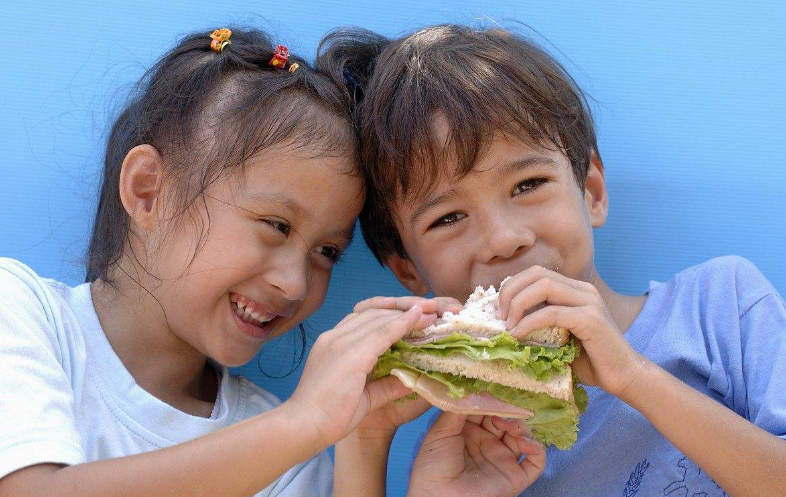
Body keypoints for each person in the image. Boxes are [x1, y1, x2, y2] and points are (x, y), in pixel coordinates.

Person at [0, 26, 543, 497]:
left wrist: (360, 438)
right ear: (148, 192)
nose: (293, 282)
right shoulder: (22, 311)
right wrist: (304, 423)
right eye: (276, 226)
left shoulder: (286, 450)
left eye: (327, 252)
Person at [317, 23, 786, 496]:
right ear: (408, 271)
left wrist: (632, 376)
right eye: (447, 217)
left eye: (528, 185)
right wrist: (364, 440)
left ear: (591, 191)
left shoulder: (719, 305)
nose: (503, 239)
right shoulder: (471, 447)